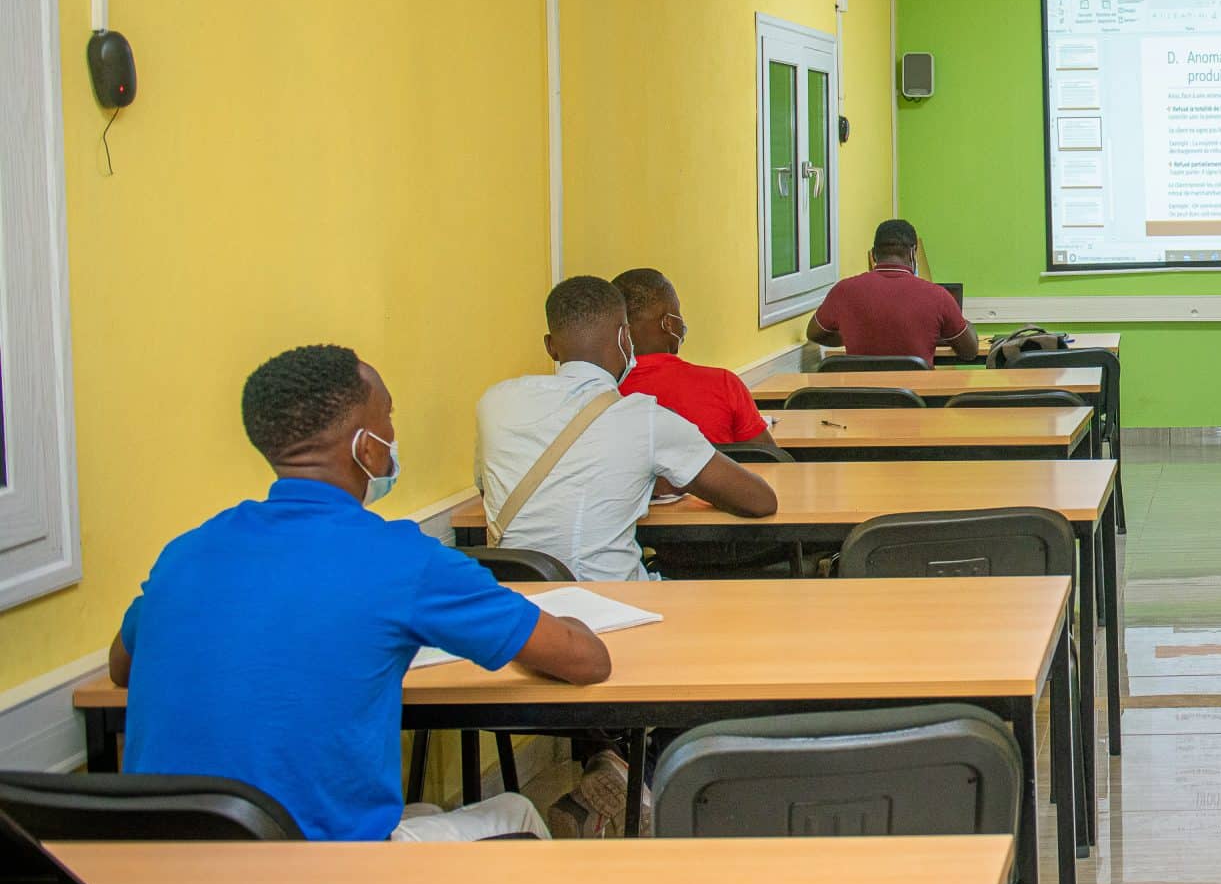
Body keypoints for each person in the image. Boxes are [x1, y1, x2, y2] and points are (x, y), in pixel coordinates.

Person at [110, 345, 612, 841]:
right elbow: (586, 661)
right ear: (366, 447)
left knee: (423, 812)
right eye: (388, 418)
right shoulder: (401, 560)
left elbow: (122, 665)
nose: (393, 436)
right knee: (516, 811)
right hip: (322, 871)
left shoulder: (186, 553)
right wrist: (568, 626)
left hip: (168, 866)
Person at [476, 276, 777, 582]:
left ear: (551, 347)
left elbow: (490, 488)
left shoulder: (494, 403)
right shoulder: (644, 417)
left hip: (517, 601)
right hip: (616, 601)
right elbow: (759, 501)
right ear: (625, 338)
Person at [611, 267, 770, 445]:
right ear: (668, 323)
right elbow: (769, 456)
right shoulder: (724, 384)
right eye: (678, 312)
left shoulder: (605, 392)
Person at [808, 219, 978, 363]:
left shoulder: (843, 291)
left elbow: (814, 334)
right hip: (916, 392)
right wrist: (964, 324)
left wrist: (853, 335)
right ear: (912, 253)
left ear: (874, 254)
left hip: (861, 391)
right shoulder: (938, 295)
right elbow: (969, 351)